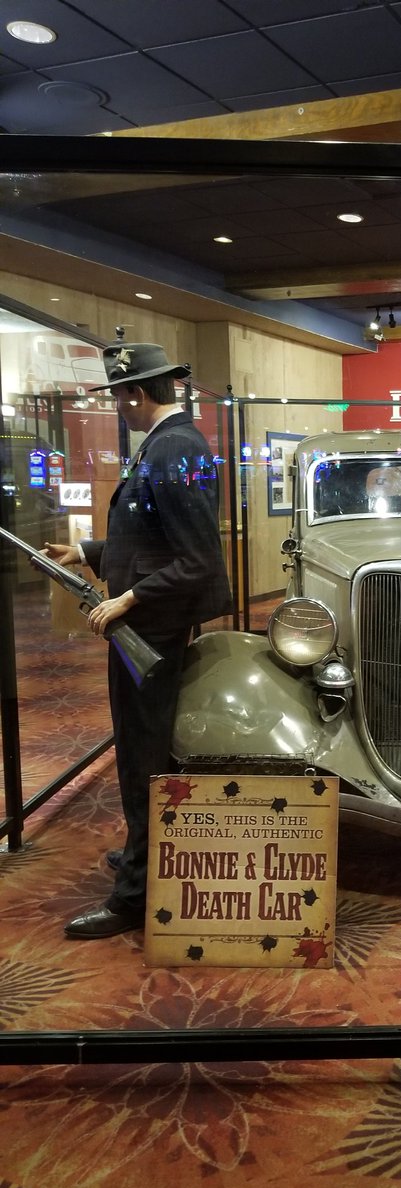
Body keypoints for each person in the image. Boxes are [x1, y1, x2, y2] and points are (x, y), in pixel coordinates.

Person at [43, 343, 232, 939]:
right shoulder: (172, 443)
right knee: (142, 749)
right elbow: (152, 534)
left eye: (119, 395)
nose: (117, 406)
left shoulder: (173, 448)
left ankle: (135, 893)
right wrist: (88, 553)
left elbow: (198, 559)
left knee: (142, 756)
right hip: (148, 623)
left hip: (149, 625)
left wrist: (128, 598)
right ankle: (143, 855)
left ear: (136, 393)